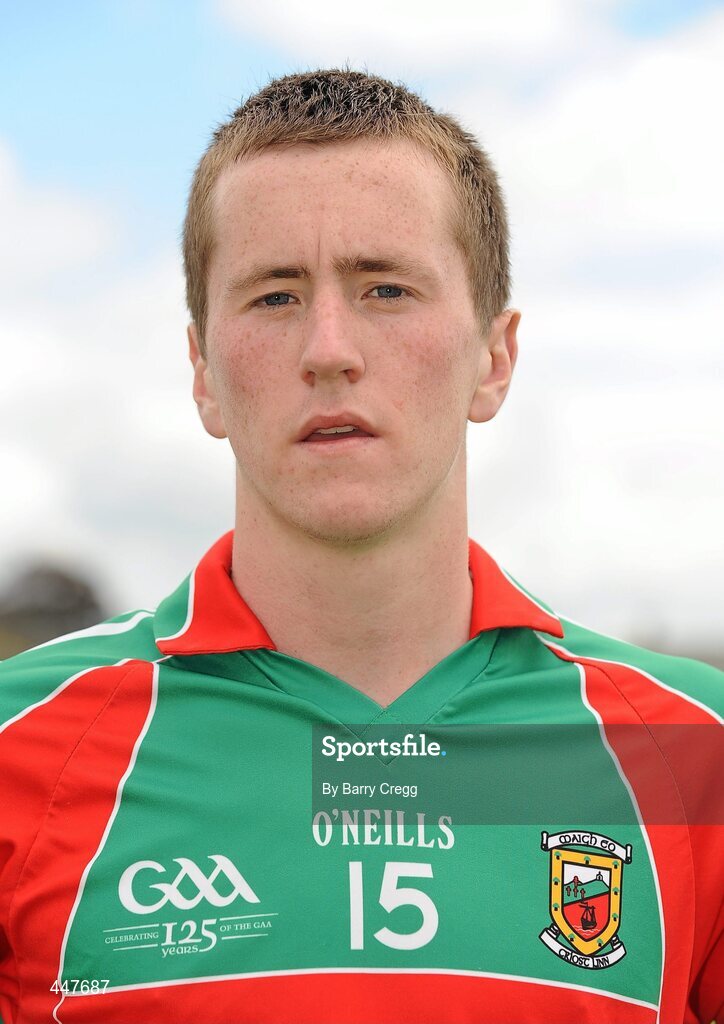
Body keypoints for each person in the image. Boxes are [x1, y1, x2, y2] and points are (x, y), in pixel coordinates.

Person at [0, 69, 721, 1024]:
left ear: (493, 358)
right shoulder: (18, 747)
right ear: (203, 373)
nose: (329, 348)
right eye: (273, 297)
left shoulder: (691, 753)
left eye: (386, 287)